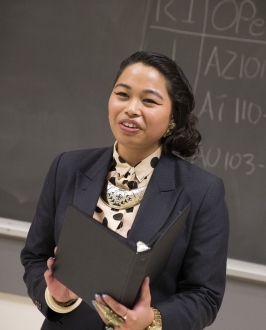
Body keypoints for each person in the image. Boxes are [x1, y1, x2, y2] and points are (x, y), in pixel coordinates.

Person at [20, 51, 229, 330]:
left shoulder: (203, 191)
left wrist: (151, 320)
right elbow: (35, 257)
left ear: (173, 120)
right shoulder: (67, 167)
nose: (131, 108)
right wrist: (56, 298)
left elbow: (204, 296)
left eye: (149, 101)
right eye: (122, 94)